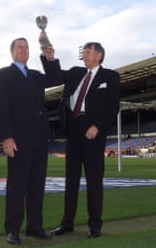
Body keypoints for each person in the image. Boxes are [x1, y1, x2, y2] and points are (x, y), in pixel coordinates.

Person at [41, 38, 120, 238]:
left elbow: (113, 106)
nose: (83, 55)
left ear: (98, 55)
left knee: (94, 180)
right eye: (83, 52)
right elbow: (55, 76)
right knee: (71, 181)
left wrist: (97, 126)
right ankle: (67, 223)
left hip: (93, 132)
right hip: (73, 130)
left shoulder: (110, 76)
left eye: (86, 52)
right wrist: (50, 58)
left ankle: (95, 225)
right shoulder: (76, 72)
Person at [0, 37, 61, 245]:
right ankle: (12, 229)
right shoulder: (4, 74)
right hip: (18, 139)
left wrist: (49, 58)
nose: (24, 50)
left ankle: (34, 227)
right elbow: (1, 107)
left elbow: (55, 79)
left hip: (40, 138)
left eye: (27, 47)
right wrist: (6, 136)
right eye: (20, 47)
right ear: (12, 52)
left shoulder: (35, 75)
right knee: (17, 186)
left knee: (37, 186)